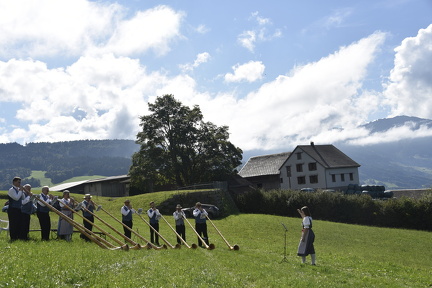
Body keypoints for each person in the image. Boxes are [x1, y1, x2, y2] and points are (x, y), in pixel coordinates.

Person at [7, 177, 25, 241]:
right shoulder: (11, 190)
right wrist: (20, 191)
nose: (19, 183)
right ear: (14, 182)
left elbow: (22, 198)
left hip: (18, 209)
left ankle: (18, 237)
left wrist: (23, 192)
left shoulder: (18, 190)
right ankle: (13, 237)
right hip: (12, 209)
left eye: (20, 182)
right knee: (13, 224)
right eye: (18, 182)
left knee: (18, 223)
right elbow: (16, 198)